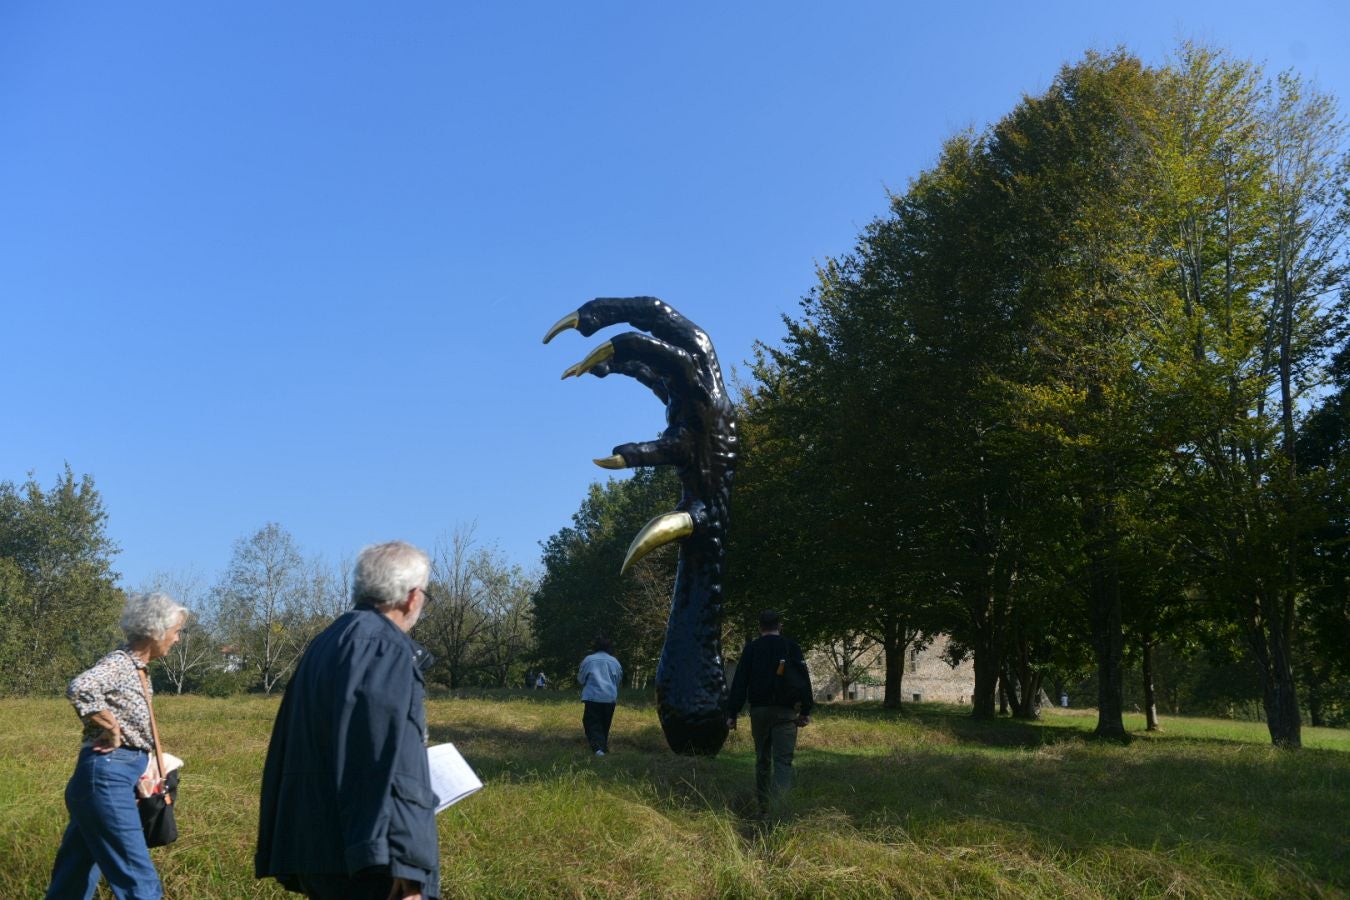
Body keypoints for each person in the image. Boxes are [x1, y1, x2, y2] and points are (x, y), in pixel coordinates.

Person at [256, 541, 440, 900]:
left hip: (317, 843)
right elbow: (386, 763)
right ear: (412, 596)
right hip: (367, 859)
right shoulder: (384, 648)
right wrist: (408, 871)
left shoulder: (327, 642)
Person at [46, 592, 189, 900]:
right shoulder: (121, 663)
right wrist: (109, 727)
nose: (177, 639)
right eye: (176, 631)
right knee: (140, 882)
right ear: (155, 632)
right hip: (107, 778)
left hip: (105, 779)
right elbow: (81, 687)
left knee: (73, 879)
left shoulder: (138, 669)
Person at [725, 610, 814, 815]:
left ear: (759, 627)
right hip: (786, 713)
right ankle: (779, 809)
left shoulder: (752, 649)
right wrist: (805, 710)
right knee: (783, 761)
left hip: (759, 711)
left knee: (762, 759)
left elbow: (740, 682)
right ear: (780, 626)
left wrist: (732, 712)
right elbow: (803, 680)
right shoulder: (791, 647)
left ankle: (763, 807)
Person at [577, 637, 623, 756]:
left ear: (595, 647)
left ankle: (598, 749)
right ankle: (603, 748)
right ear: (609, 648)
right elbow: (618, 680)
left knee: (591, 723)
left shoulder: (589, 660)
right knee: (604, 724)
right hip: (610, 697)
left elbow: (581, 679)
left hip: (593, 697)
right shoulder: (615, 662)